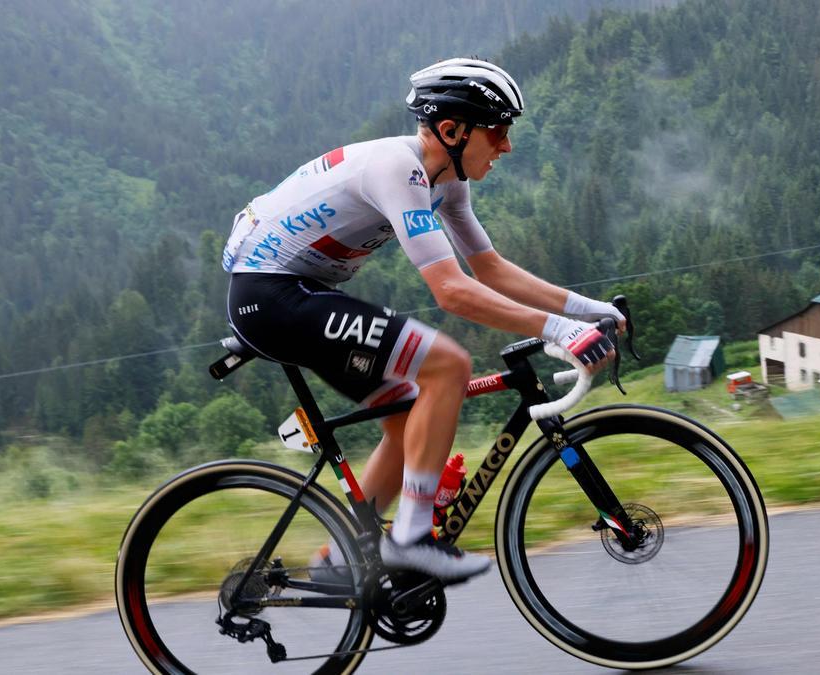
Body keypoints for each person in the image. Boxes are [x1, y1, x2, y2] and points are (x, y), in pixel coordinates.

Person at [220, 58, 622, 582]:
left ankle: (341, 559)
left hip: (298, 294)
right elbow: (451, 291)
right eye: (498, 130)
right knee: (447, 366)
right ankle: (410, 538)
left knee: (408, 420)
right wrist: (558, 332)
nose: (507, 145)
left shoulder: (446, 179)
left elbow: (489, 269)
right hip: (270, 297)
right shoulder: (397, 168)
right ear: (452, 131)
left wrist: (589, 311)